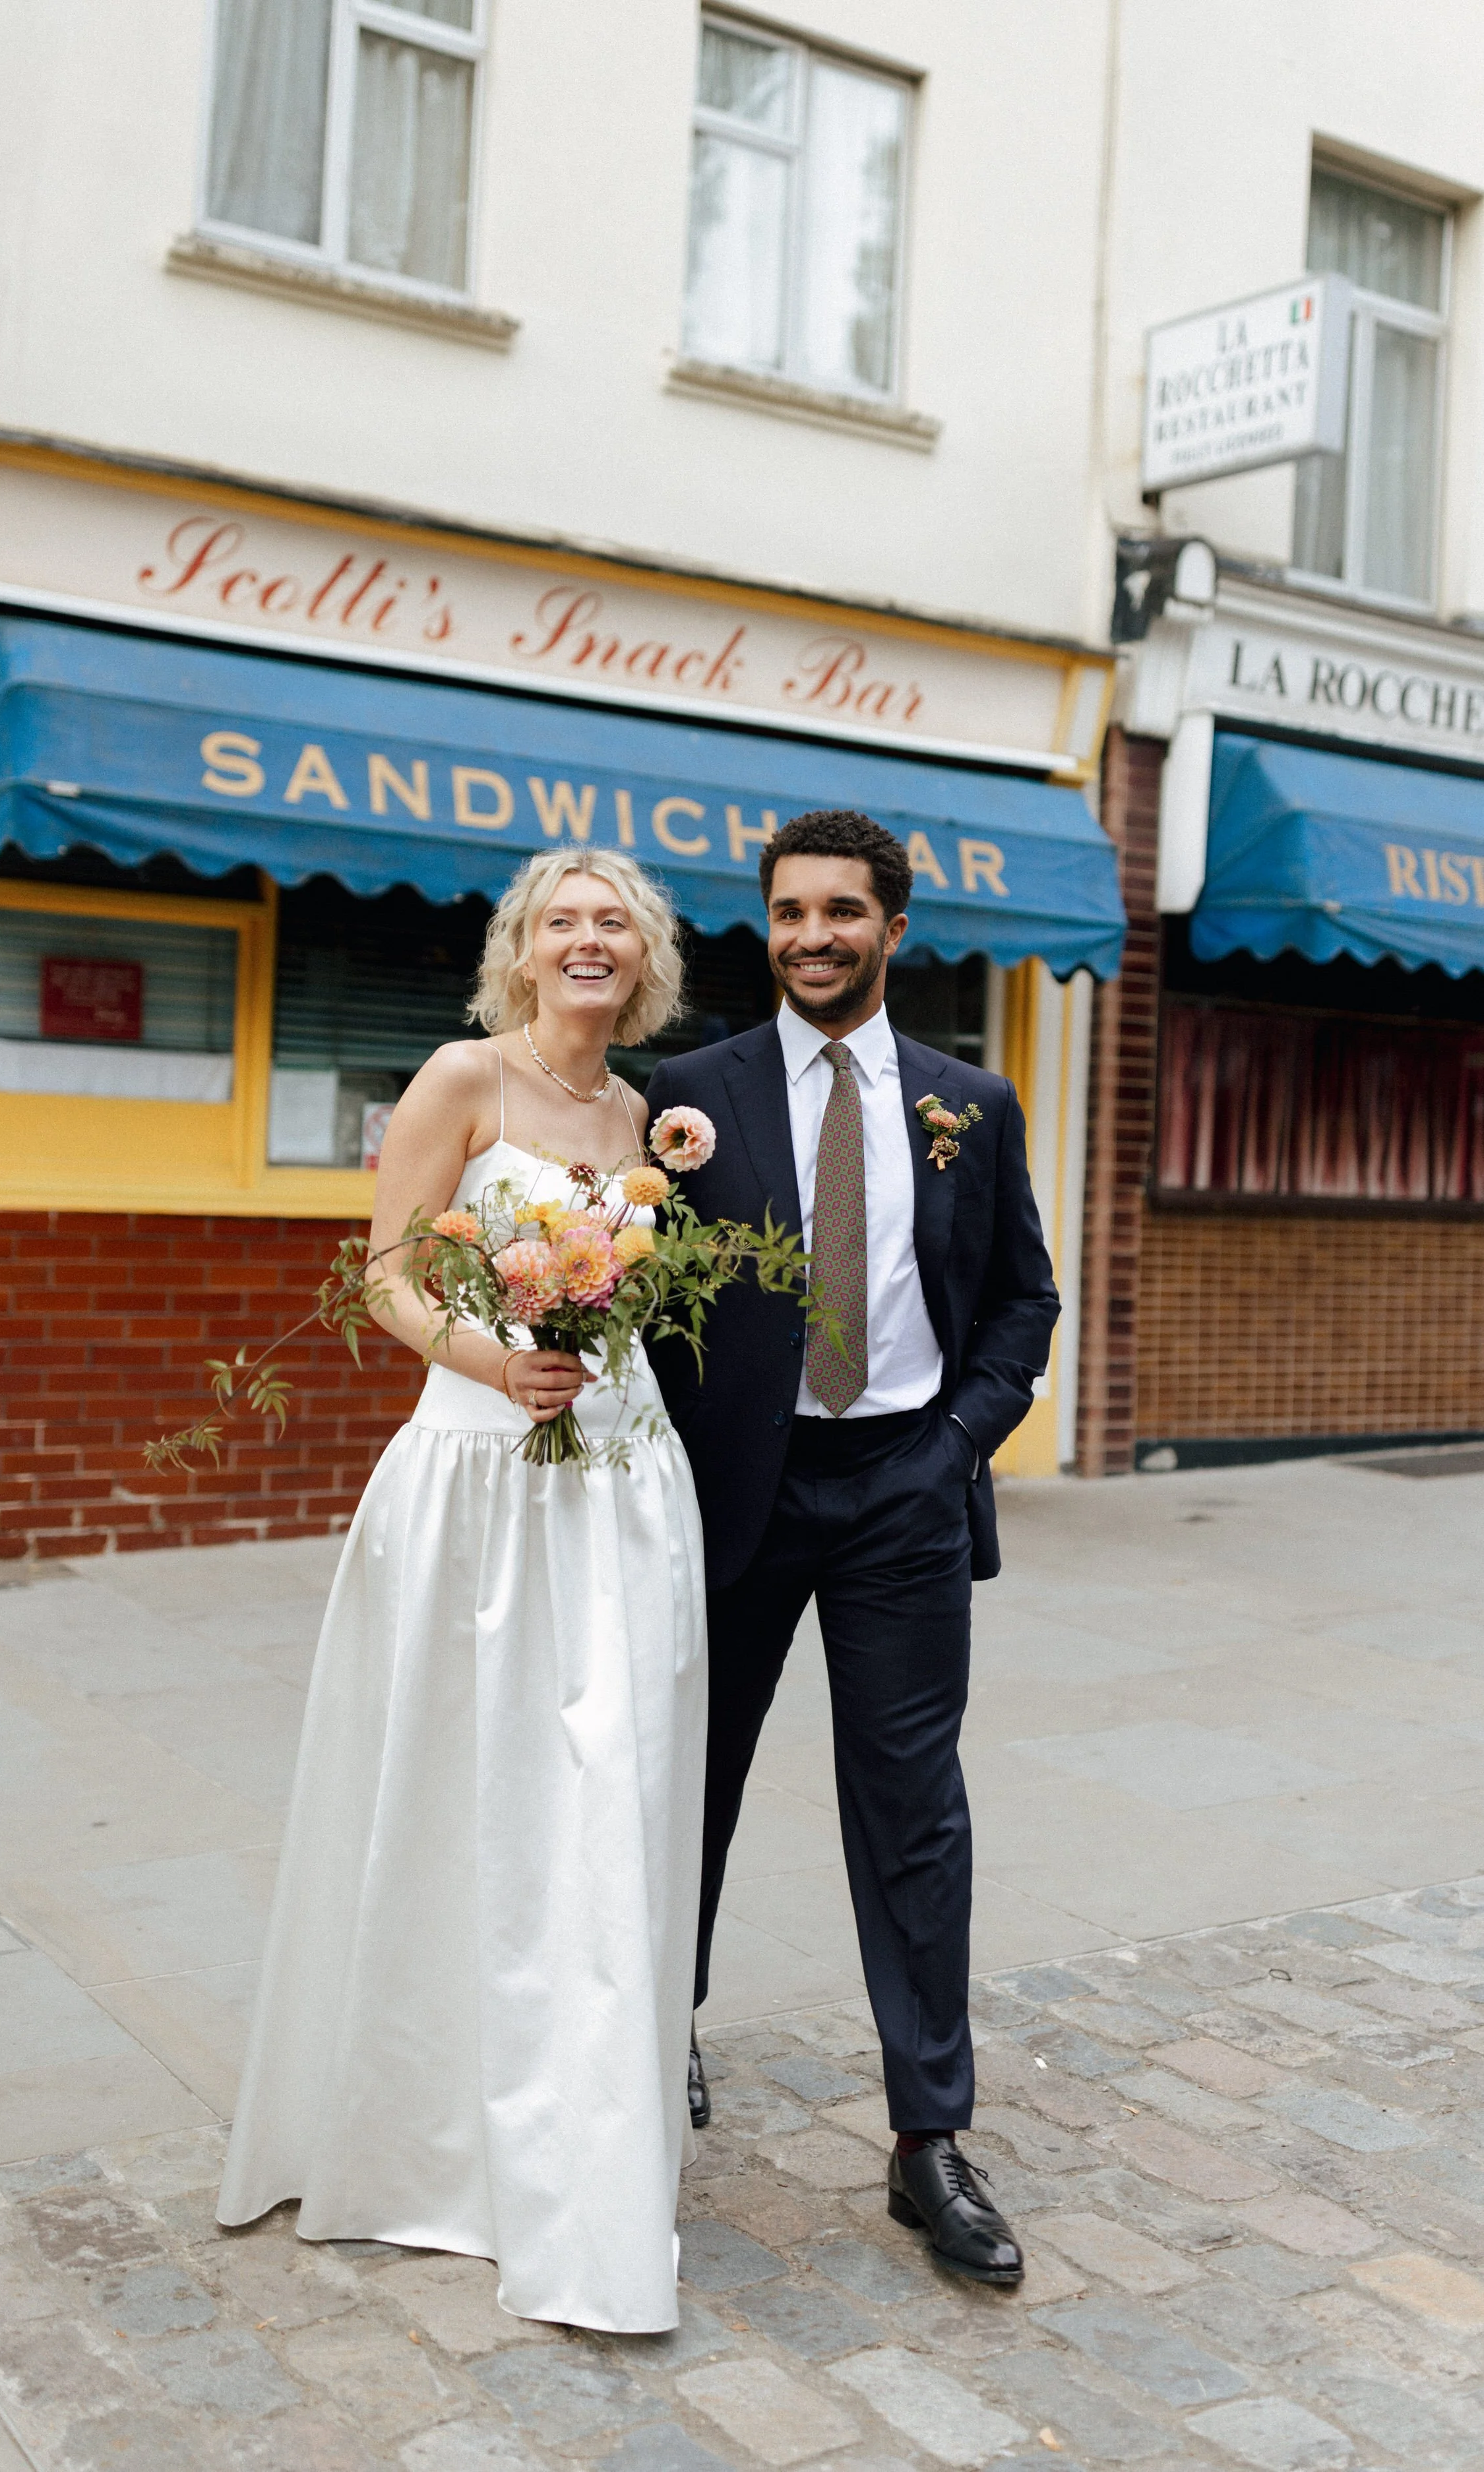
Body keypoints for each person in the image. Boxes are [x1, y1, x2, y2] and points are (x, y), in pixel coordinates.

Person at [218, 849, 706, 2335]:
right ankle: (430, 2140)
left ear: (643, 958)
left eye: (611, 922)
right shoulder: (460, 1079)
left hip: (618, 1488)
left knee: (600, 1810)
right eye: (560, 920)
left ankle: (583, 2153)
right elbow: (381, 1275)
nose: (586, 940)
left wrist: (670, 1159)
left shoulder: (643, 1115)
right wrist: (495, 1359)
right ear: (520, 948)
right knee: (445, 1803)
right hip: (474, 1482)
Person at [644, 808, 1059, 2291]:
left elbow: (1023, 1303)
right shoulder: (680, 1095)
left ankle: (925, 2136)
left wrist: (944, 1458)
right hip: (727, 1496)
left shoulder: (969, 1101)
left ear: (893, 925)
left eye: (840, 910)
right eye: (787, 910)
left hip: (899, 1491)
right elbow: (629, 1285)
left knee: (911, 1814)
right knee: (681, 1782)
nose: (810, 933)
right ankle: (649, 2042)